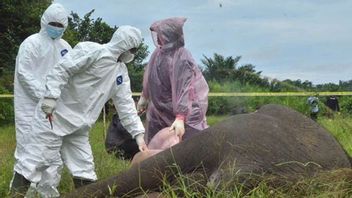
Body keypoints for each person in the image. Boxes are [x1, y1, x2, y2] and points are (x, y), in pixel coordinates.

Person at [13, 25, 147, 197]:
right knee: (33, 161)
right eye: (132, 49)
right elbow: (62, 69)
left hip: (79, 127)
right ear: (125, 45)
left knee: (84, 168)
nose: (132, 54)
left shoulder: (120, 72)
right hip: (54, 117)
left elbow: (126, 106)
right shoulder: (92, 51)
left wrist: (139, 135)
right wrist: (50, 97)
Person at [11, 3, 71, 197]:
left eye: (60, 25)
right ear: (44, 20)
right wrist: (46, 97)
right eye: (53, 23)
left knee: (53, 152)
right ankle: (24, 193)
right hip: (29, 106)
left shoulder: (65, 47)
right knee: (28, 150)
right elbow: (24, 74)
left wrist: (56, 100)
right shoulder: (31, 43)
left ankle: (48, 192)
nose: (56, 27)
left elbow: (70, 76)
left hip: (55, 109)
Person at [137, 17, 209, 143]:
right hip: (160, 109)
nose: (158, 37)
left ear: (169, 35)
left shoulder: (182, 57)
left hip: (185, 112)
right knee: (157, 145)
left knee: (187, 147)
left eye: (161, 34)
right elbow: (150, 77)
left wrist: (181, 116)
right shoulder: (157, 54)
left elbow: (184, 88)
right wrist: (144, 96)